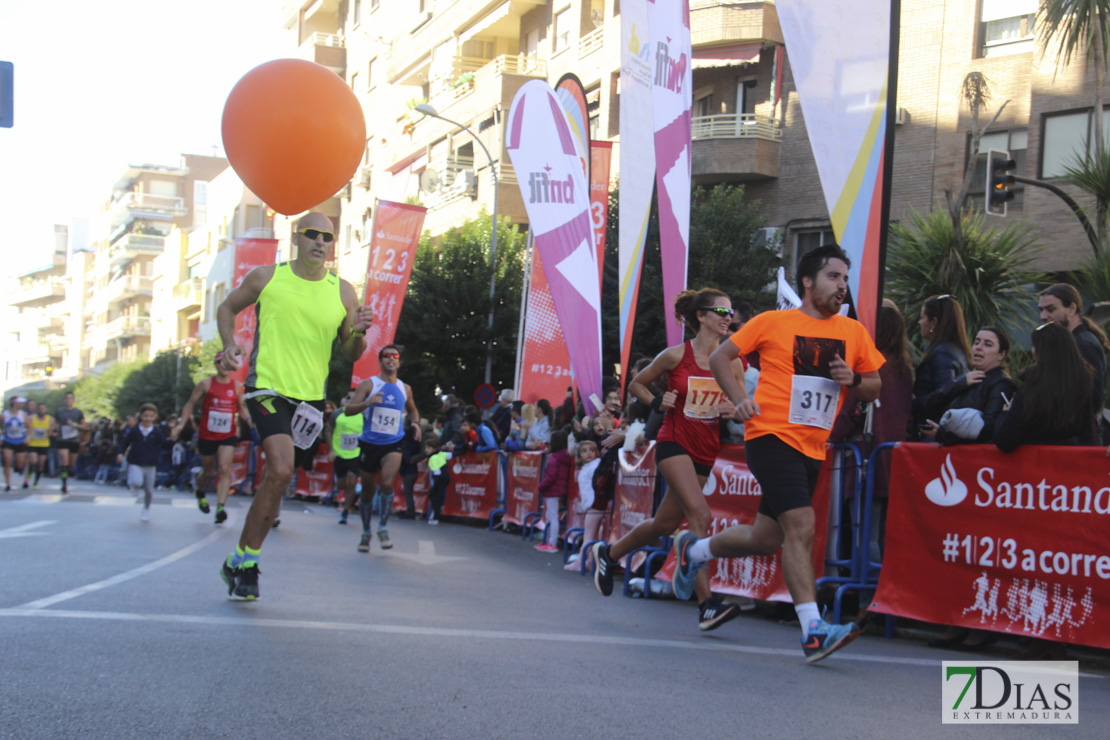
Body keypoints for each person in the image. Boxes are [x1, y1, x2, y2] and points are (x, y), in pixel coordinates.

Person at [671, 244, 884, 663]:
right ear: (808, 281)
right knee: (801, 525)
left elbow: (875, 386)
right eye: (833, 277)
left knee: (766, 537)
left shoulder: (854, 332)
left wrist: (854, 378)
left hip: (813, 446)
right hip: (770, 436)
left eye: (845, 279)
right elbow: (720, 356)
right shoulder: (773, 322)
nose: (841, 286)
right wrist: (740, 400)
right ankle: (813, 631)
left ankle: (693, 551)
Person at [215, 212, 373, 600]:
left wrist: (359, 331)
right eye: (313, 235)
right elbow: (225, 309)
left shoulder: (344, 291)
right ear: (297, 238)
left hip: (310, 399)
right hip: (266, 387)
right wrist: (228, 344)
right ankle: (249, 562)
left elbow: (351, 351)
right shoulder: (267, 277)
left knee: (280, 477)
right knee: (282, 468)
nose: (321, 242)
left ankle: (240, 559)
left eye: (328, 237)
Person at [592, 288, 748, 631]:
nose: (727, 317)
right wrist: (657, 401)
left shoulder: (733, 361)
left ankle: (609, 554)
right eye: (721, 312)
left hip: (707, 449)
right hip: (674, 442)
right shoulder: (677, 355)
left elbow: (744, 408)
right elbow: (636, 384)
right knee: (700, 515)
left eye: (730, 311)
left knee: (664, 525)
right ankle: (706, 604)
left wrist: (732, 410)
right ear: (701, 317)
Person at [345, 344, 421, 553]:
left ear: (398, 362)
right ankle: (366, 532)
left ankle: (383, 528)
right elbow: (348, 410)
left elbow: (413, 411)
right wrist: (367, 403)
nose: (391, 359)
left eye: (395, 356)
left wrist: (414, 423)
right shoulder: (369, 385)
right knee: (368, 492)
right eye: (387, 356)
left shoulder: (405, 389)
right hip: (370, 443)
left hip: (393, 443)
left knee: (387, 482)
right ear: (380, 361)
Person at [995, 321, 1098, 451]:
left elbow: (1005, 441)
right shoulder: (1083, 386)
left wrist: (1005, 414)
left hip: (1031, 466)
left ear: (1040, 352)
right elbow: (1089, 433)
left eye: (1033, 346)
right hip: (1070, 465)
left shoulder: (1030, 392)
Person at [175, 354, 250, 525]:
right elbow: (190, 403)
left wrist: (250, 422)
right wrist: (181, 424)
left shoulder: (237, 386)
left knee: (224, 468)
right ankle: (199, 490)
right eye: (219, 362)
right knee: (208, 472)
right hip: (207, 434)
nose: (223, 365)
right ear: (215, 364)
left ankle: (220, 508)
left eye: (226, 362)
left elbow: (241, 408)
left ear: (231, 365)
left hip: (228, 434)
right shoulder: (205, 384)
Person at [920, 326, 1016, 445]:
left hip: (979, 459)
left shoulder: (1002, 384)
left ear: (1001, 354)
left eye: (988, 344)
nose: (978, 347)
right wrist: (959, 384)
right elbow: (928, 405)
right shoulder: (965, 379)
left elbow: (989, 429)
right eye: (976, 342)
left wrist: (943, 435)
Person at [1038, 284, 1109, 427]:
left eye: (1050, 309)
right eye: (1041, 310)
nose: (1043, 316)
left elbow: (1092, 399)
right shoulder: (1074, 341)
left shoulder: (1084, 344)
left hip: (1080, 438)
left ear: (1071, 309)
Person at [912, 294, 971, 430]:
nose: (919, 322)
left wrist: (915, 402)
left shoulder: (942, 354)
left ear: (933, 322)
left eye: (922, 317)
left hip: (934, 432)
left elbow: (943, 396)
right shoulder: (956, 350)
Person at [117, 403, 178, 522]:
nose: (148, 419)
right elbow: (125, 442)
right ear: (141, 416)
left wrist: (173, 439)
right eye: (145, 416)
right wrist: (120, 453)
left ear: (154, 417)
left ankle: (146, 508)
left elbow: (164, 444)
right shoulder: (135, 430)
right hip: (136, 461)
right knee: (136, 481)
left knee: (149, 490)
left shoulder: (156, 431)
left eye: (150, 416)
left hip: (150, 464)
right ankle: (132, 484)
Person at [329, 391, 363, 525]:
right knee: (341, 484)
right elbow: (328, 430)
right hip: (339, 453)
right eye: (350, 398)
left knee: (351, 482)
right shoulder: (337, 413)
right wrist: (331, 449)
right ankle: (347, 494)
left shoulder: (363, 415)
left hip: (356, 454)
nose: (353, 401)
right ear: (346, 401)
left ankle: (345, 510)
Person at [536, 428, 572, 552]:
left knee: (552, 516)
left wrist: (541, 486)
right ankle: (549, 541)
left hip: (552, 490)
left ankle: (552, 543)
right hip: (558, 489)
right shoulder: (565, 457)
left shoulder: (555, 459)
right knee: (551, 515)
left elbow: (550, 476)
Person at [53, 391, 87, 493]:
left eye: (70, 398)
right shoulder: (59, 411)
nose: (68, 400)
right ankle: (64, 484)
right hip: (62, 440)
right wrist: (53, 430)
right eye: (66, 398)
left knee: (71, 465)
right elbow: (56, 423)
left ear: (73, 400)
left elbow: (85, 427)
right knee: (64, 460)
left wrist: (74, 425)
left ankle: (66, 473)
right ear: (64, 400)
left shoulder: (78, 412)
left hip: (74, 441)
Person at [2, 396, 30, 491]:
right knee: (7, 461)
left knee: (20, 464)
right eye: (20, 403)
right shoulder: (4, 415)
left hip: (20, 441)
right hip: (8, 440)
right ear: (14, 403)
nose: (21, 405)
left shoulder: (23, 414)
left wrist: (28, 437)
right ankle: (8, 484)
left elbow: (30, 427)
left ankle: (18, 466)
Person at [26, 402, 55, 489]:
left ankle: (36, 482)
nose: (41, 410)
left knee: (40, 464)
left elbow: (53, 432)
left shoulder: (50, 419)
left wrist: (51, 433)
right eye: (39, 408)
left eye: (43, 408)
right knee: (33, 461)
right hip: (33, 443)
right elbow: (28, 429)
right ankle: (27, 479)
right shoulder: (31, 418)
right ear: (37, 410)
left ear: (45, 410)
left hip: (44, 444)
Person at [424, 438, 451, 525]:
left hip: (439, 480)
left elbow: (437, 472)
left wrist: (435, 486)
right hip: (445, 479)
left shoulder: (432, 458)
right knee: (438, 498)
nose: (426, 450)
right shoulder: (441, 454)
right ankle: (434, 516)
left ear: (434, 449)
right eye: (425, 448)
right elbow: (450, 455)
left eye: (428, 448)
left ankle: (435, 517)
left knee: (435, 498)